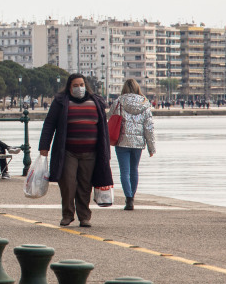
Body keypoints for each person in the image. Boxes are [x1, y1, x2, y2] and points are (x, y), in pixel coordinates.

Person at [38, 74, 113, 228]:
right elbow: (49, 124)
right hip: (67, 152)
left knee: (85, 186)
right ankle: (67, 215)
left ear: (86, 85)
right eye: (75, 85)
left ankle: (84, 217)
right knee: (68, 183)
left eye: (81, 84)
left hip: (91, 152)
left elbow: (103, 128)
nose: (79, 88)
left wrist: (106, 152)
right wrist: (44, 147)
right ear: (69, 87)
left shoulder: (96, 101)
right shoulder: (61, 101)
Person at [114, 79, 156, 210]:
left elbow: (111, 117)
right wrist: (151, 147)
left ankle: (129, 199)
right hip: (138, 143)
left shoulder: (119, 101)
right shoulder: (145, 104)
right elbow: (149, 128)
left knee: (124, 172)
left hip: (121, 141)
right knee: (134, 170)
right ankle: (133, 197)